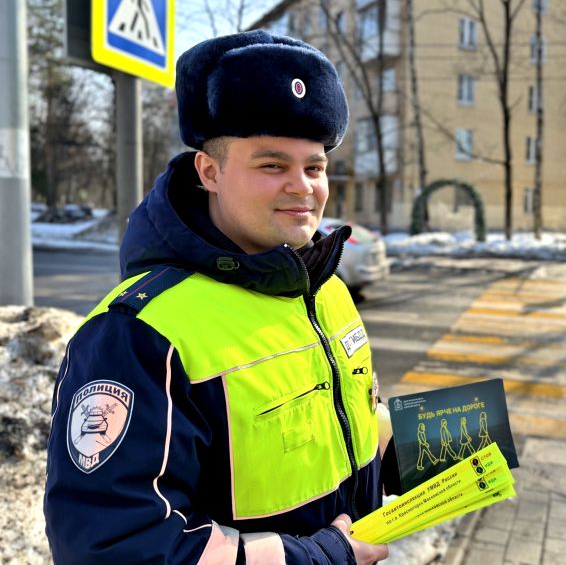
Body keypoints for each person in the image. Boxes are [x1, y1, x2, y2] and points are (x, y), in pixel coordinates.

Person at [44, 31, 390, 565]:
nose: (303, 187)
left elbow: (349, 422)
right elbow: (113, 547)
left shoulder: (326, 291)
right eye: (272, 165)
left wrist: (447, 439)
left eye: (314, 166)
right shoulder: (137, 335)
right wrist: (318, 558)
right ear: (210, 171)